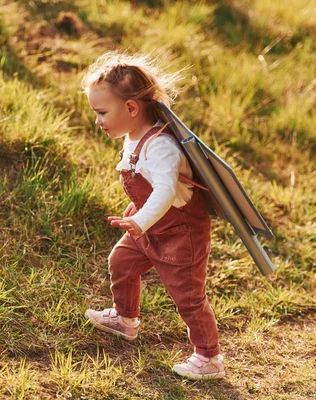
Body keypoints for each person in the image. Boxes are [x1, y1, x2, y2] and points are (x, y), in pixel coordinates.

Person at [81, 51, 225, 380]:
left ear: (131, 108)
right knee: (122, 262)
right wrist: (140, 220)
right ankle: (125, 319)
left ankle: (209, 357)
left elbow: (163, 189)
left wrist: (140, 220)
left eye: (102, 112)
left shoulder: (160, 146)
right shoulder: (133, 136)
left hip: (180, 232)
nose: (97, 121)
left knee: (189, 296)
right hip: (146, 225)